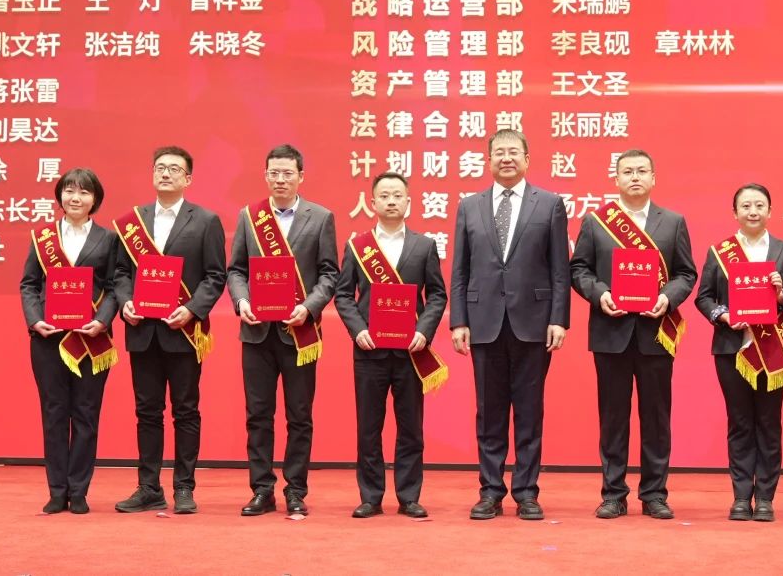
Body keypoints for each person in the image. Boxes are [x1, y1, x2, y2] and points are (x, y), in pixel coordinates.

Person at [449, 129, 570, 520]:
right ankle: (490, 491)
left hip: (533, 323)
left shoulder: (549, 204)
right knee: (489, 412)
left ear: (527, 158)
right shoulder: (469, 206)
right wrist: (458, 320)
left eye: (513, 151)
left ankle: (527, 493)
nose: (506, 158)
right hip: (483, 322)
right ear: (488, 160)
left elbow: (560, 270)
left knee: (530, 413)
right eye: (499, 152)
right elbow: (460, 269)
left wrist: (559, 319)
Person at [571, 149, 698, 520]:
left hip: (656, 332)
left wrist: (666, 298)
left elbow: (686, 274)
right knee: (613, 418)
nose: (635, 177)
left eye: (642, 171)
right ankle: (613, 494)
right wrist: (600, 294)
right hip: (610, 332)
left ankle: (655, 494)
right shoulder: (596, 222)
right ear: (616, 179)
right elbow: (579, 269)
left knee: (656, 417)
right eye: (627, 171)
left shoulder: (672, 222)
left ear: (654, 178)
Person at [112, 146, 227, 515]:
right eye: (160, 167)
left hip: (184, 332)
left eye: (174, 169)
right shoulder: (133, 222)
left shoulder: (205, 220)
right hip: (142, 330)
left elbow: (215, 276)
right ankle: (148, 487)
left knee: (186, 411)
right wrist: (125, 302)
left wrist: (191, 310)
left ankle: (183, 487)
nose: (165, 173)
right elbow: (120, 274)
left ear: (187, 178)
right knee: (147, 411)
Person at [226, 144, 339, 517]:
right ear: (265, 175)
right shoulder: (249, 217)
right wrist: (242, 301)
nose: (280, 179)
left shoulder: (320, 217)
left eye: (287, 173)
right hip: (257, 332)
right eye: (273, 173)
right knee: (258, 414)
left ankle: (295, 490)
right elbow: (236, 269)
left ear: (301, 176)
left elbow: (329, 274)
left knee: (299, 416)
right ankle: (262, 489)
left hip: (299, 334)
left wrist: (308, 307)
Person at [334, 171, 447, 519]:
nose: (391, 201)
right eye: (384, 196)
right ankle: (371, 497)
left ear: (408, 201)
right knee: (369, 427)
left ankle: (409, 496)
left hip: (411, 352)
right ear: (373, 203)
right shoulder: (358, 246)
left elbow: (437, 295)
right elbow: (343, 295)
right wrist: (357, 330)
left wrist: (424, 331)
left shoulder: (424, 246)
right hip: (369, 351)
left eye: (398, 195)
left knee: (410, 426)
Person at [694, 183, 783, 521]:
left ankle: (767, 498)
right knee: (741, 422)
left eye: (759, 205)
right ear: (735, 213)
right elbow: (704, 297)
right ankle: (742, 497)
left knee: (769, 423)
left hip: (774, 348)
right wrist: (723, 315)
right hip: (732, 348)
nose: (753, 211)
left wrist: (781, 296)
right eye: (745, 206)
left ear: (770, 211)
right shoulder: (719, 252)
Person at [19, 168, 119, 515]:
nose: (75, 198)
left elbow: (115, 286)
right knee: (54, 414)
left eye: (84, 192)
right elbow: (29, 284)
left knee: (86, 415)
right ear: (60, 195)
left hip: (91, 339)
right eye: (69, 190)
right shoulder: (42, 237)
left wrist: (102, 319)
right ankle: (56, 491)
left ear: (95, 199)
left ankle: (79, 491)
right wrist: (35, 319)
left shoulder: (108, 239)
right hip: (48, 339)